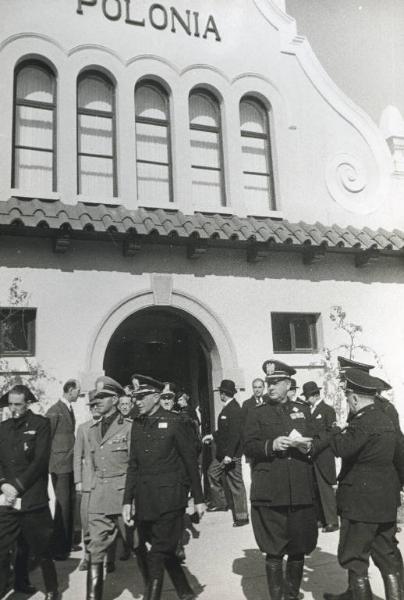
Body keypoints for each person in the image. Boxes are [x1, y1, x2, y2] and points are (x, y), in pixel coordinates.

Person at [315, 368, 404, 600]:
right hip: (384, 501)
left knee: (355, 558)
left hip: (359, 503)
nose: (348, 403)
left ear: (354, 398)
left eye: (348, 399)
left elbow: (340, 448)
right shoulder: (387, 418)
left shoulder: (362, 422)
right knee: (387, 554)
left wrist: (335, 431)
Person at [122, 375, 206, 600]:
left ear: (156, 397)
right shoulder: (137, 425)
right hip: (145, 499)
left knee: (156, 554)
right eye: (135, 397)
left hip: (170, 499)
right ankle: (186, 592)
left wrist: (198, 499)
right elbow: (133, 465)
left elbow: (190, 462)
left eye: (141, 397)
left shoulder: (176, 421)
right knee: (163, 548)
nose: (137, 401)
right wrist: (127, 501)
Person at [244, 359, 317, 600]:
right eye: (268, 383)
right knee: (274, 551)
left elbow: (315, 440)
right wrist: (270, 445)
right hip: (270, 491)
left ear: (288, 384)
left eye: (276, 382)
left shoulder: (302, 410)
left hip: (299, 490)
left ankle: (292, 595)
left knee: (298, 549)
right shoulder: (256, 413)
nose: (271, 387)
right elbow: (248, 445)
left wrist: (309, 448)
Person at [0, 385, 59, 599]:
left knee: (41, 548)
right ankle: (11, 585)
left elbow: (40, 461)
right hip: (7, 499)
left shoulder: (41, 424)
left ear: (28, 403)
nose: (13, 409)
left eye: (18, 404)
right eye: (10, 404)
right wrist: (3, 483)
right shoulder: (3, 428)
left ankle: (52, 589)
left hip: (32, 498)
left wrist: (17, 486)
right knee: (2, 546)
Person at [86, 377, 132, 600]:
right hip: (99, 497)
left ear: (115, 399)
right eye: (95, 397)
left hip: (123, 496)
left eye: (102, 397)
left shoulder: (129, 427)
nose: (97, 401)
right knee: (95, 548)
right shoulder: (93, 429)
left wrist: (132, 500)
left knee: (138, 545)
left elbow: (135, 466)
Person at [203, 379, 249, 527]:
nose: (219, 395)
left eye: (220, 393)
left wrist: (230, 455)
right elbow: (224, 431)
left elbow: (235, 434)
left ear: (224, 394)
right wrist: (213, 436)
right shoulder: (227, 408)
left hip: (231, 455)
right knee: (212, 473)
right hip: (222, 454)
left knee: (236, 485)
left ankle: (242, 517)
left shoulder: (234, 409)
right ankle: (221, 503)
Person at [46, 378, 81, 560]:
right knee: (62, 506)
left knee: (69, 505)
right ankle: (58, 549)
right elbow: (46, 438)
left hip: (69, 464)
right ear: (69, 390)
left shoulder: (68, 408)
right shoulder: (54, 411)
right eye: (77, 391)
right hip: (59, 466)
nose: (79, 394)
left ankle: (66, 544)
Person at [302, 381, 338, 533]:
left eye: (308, 396)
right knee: (314, 488)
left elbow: (331, 432)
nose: (306, 399)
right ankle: (320, 519)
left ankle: (332, 521)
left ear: (315, 395)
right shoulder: (308, 410)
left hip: (323, 454)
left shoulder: (327, 410)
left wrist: (315, 443)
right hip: (311, 455)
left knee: (325, 488)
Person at [74, 391, 102, 572]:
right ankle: (87, 555)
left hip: (104, 482)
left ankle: (106, 557)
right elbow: (77, 456)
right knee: (86, 520)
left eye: (98, 405)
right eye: (92, 406)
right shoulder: (83, 428)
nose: (95, 409)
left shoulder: (109, 426)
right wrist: (78, 480)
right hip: (88, 482)